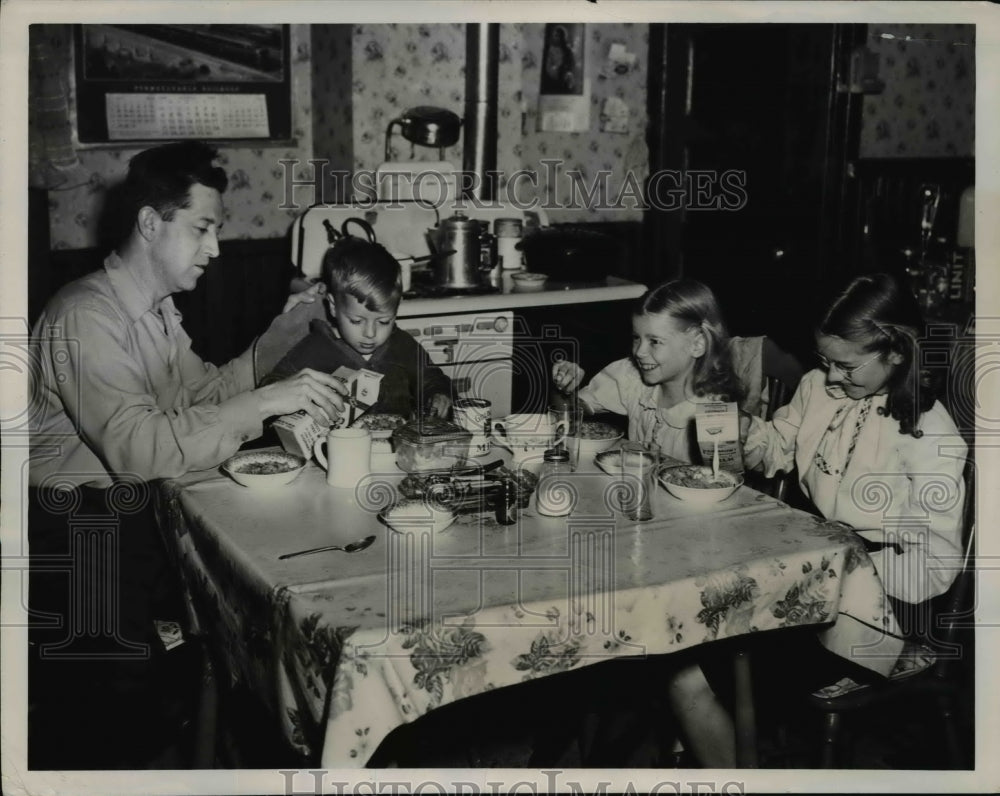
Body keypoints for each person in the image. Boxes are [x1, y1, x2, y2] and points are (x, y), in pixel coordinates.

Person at [27, 141, 348, 767]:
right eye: (202, 228)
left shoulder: (155, 312)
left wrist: (280, 337)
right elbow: (140, 449)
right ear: (151, 224)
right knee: (124, 706)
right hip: (71, 533)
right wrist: (264, 401)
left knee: (234, 627)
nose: (216, 248)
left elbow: (203, 397)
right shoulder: (86, 315)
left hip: (126, 514)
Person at [666, 272, 969, 767]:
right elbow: (778, 449)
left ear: (896, 352)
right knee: (689, 627)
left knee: (689, 678)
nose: (830, 377)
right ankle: (710, 754)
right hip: (805, 587)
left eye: (845, 366)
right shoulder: (818, 389)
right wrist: (743, 431)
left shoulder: (930, 435)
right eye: (825, 361)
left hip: (877, 614)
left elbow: (934, 565)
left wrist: (838, 572)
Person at [261, 236, 453, 418]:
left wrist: (438, 394)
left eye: (383, 322)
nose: (370, 333)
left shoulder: (403, 345)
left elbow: (432, 379)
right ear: (333, 306)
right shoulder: (315, 348)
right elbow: (271, 386)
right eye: (356, 321)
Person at [552, 279, 743, 461]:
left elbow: (723, 478)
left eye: (655, 341)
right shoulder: (632, 376)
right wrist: (564, 386)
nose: (639, 352)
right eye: (637, 338)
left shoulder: (715, 410)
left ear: (697, 345)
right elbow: (565, 414)